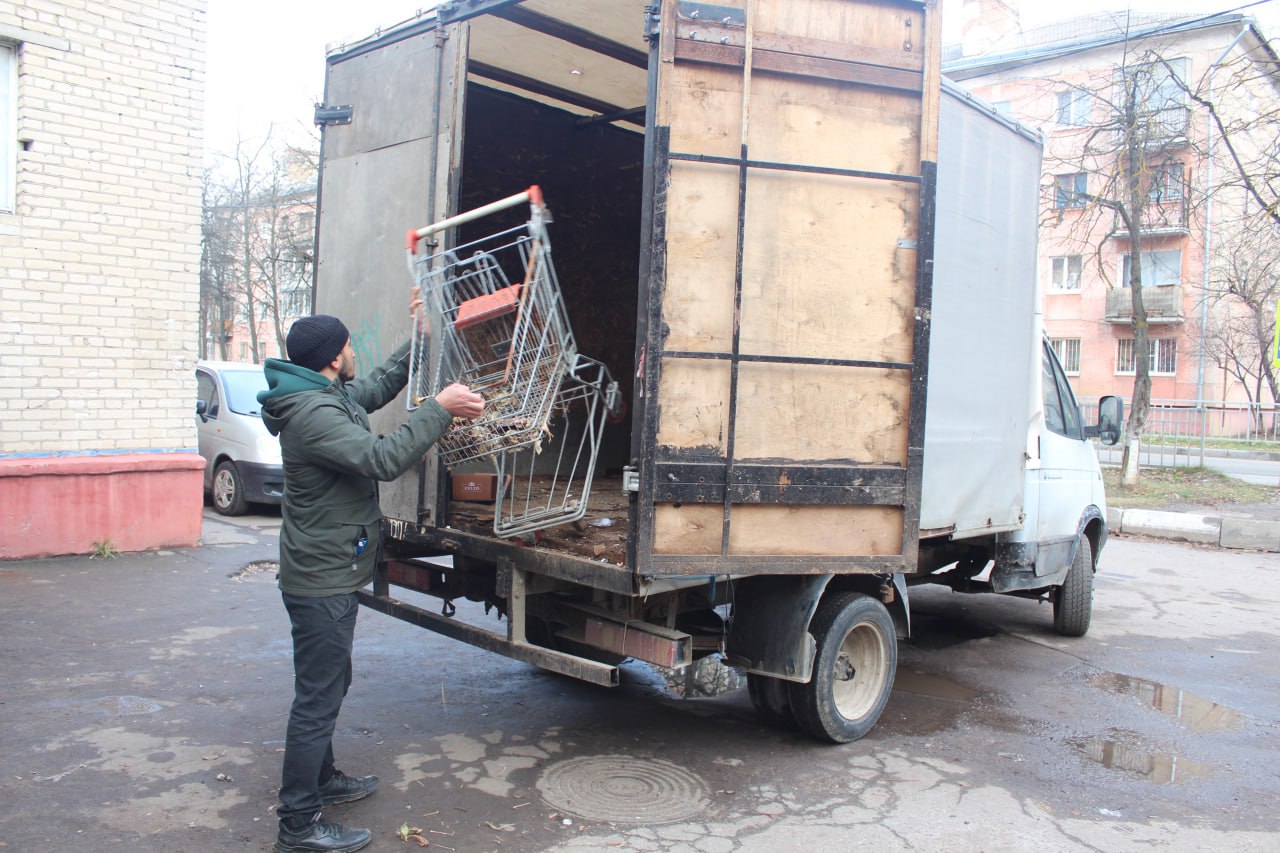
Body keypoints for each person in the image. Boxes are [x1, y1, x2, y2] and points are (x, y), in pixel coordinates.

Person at [258, 291, 483, 853]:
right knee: (318, 697)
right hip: (321, 578)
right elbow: (382, 458)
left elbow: (379, 385)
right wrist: (440, 408)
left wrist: (426, 337)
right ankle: (298, 825)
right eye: (350, 345)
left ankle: (323, 780)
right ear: (334, 357)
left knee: (331, 684)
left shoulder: (321, 394)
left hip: (326, 567)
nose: (355, 353)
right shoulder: (314, 415)